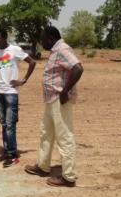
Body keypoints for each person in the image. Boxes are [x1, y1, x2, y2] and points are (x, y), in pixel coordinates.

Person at [24, 26, 83, 187]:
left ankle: (68, 177)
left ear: (50, 38)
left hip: (59, 100)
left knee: (64, 137)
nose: (41, 42)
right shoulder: (55, 51)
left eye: (43, 39)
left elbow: (78, 68)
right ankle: (43, 167)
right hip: (51, 99)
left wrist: (65, 91)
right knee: (46, 133)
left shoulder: (62, 49)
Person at [0, 29, 36, 167]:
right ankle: (6, 150)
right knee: (3, 123)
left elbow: (32, 62)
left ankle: (13, 155)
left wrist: (23, 80)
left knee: (10, 124)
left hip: (11, 92)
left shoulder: (14, 50)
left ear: (5, 38)